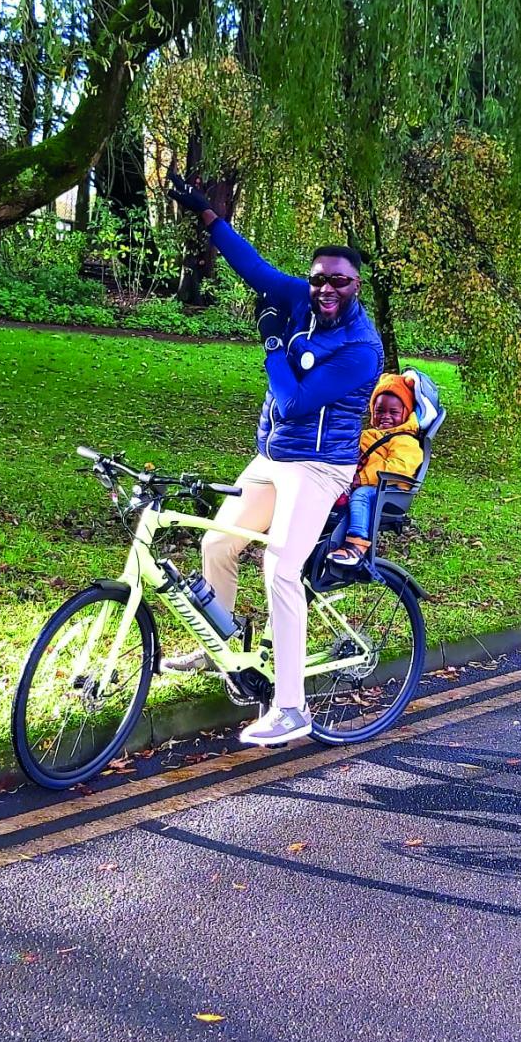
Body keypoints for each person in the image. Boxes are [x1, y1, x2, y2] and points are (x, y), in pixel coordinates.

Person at [164, 165, 383, 746]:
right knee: (218, 543)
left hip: (318, 467)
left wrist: (270, 345)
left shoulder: (361, 349)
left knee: (280, 570)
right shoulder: (301, 299)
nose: (327, 289)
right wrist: (208, 217)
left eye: (340, 281)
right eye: (319, 279)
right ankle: (222, 652)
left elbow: (292, 401)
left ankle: (292, 708)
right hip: (273, 458)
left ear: (356, 285)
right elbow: (255, 268)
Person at [328, 372, 423, 567]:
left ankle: (357, 544)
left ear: (406, 413)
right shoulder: (370, 435)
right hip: (363, 483)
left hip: (389, 490)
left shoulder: (405, 440)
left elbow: (400, 468)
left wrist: (361, 478)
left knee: (361, 495)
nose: (385, 417)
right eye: (379, 410)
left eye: (393, 412)